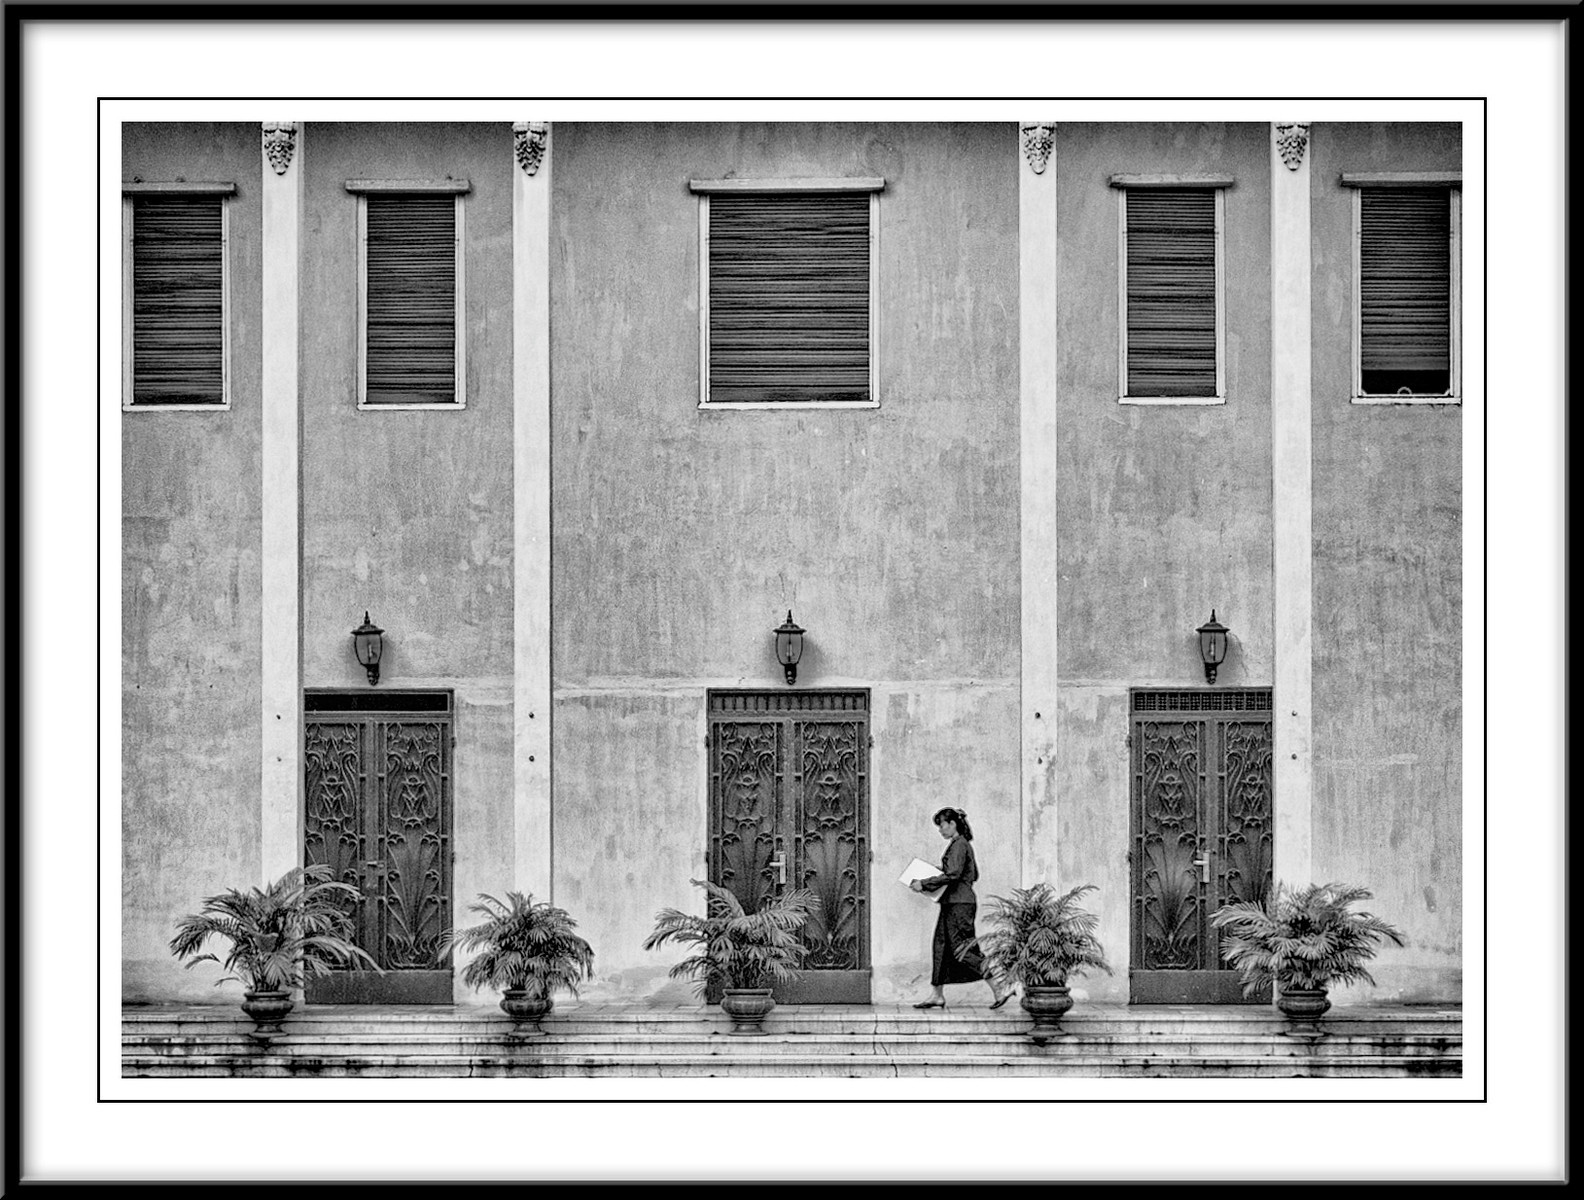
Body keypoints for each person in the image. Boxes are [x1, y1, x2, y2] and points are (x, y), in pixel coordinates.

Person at [909, 807, 1012, 1010]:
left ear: (952, 824)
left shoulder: (959, 845)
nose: (940, 830)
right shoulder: (960, 845)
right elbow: (972, 874)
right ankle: (936, 995)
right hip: (953, 903)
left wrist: (926, 883)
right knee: (941, 946)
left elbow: (954, 874)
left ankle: (1001, 986)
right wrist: (941, 874)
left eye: (942, 825)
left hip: (959, 905)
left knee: (962, 949)